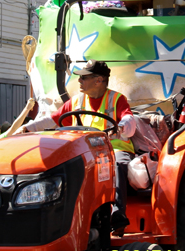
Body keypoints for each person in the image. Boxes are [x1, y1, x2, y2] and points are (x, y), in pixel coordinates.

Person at [27, 61, 138, 232]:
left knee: (116, 164)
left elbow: (129, 121)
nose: (79, 81)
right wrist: (28, 128)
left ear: (99, 80)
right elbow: (53, 119)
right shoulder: (77, 101)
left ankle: (117, 214)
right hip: (88, 153)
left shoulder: (116, 99)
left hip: (115, 149)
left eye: (84, 78)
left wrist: (121, 127)